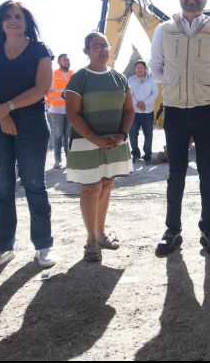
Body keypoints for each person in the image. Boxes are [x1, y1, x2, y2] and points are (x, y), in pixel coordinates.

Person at [150, 0, 210, 257]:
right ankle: (172, 230)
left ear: (205, 0)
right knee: (176, 173)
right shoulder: (164, 30)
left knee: (208, 173)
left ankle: (208, 230)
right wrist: (176, 87)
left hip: (205, 110)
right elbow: (156, 68)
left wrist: (206, 91)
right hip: (174, 110)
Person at [0, 0, 57, 271]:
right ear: (0, 22)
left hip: (31, 123)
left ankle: (43, 246)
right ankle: (2, 247)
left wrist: (8, 108)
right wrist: (1, 114)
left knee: (34, 185)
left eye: (19, 16)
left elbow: (42, 87)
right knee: (2, 188)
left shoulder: (39, 50)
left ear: (27, 22)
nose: (13, 20)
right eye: (8, 16)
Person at [64, 32, 134, 262]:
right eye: (96, 46)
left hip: (114, 142)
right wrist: (95, 138)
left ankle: (101, 233)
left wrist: (122, 135)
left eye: (105, 45)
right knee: (90, 189)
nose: (102, 50)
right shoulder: (79, 78)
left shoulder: (119, 78)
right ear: (86, 51)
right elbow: (72, 113)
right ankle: (91, 240)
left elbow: (129, 110)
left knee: (106, 185)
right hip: (86, 142)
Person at [128, 60, 158, 164]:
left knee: (148, 135)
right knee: (132, 134)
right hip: (134, 112)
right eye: (137, 68)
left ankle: (147, 156)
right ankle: (135, 154)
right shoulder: (130, 80)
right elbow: (129, 94)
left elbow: (155, 94)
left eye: (141, 67)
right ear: (135, 69)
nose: (139, 69)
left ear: (145, 68)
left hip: (148, 112)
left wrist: (144, 103)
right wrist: (137, 104)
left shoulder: (152, 80)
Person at [46, 53, 73, 169]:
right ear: (59, 62)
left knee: (68, 134)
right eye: (64, 60)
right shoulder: (53, 75)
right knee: (58, 135)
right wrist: (48, 105)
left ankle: (69, 158)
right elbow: (46, 92)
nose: (67, 61)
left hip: (70, 109)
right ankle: (58, 160)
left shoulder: (73, 74)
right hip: (56, 110)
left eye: (67, 59)